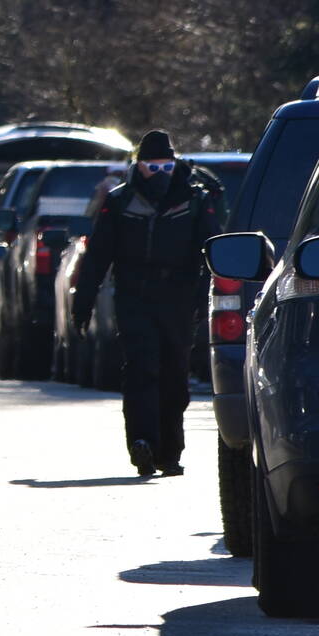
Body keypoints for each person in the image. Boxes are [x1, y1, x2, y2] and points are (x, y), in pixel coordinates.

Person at [72, 130, 222, 477]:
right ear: (138, 167)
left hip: (179, 298)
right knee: (141, 369)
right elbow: (98, 256)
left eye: (166, 166)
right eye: (152, 167)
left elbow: (211, 250)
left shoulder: (194, 199)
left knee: (174, 374)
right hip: (134, 296)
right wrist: (84, 302)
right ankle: (142, 442)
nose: (159, 174)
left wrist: (204, 295)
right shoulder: (120, 202)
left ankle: (169, 453)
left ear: (176, 164)